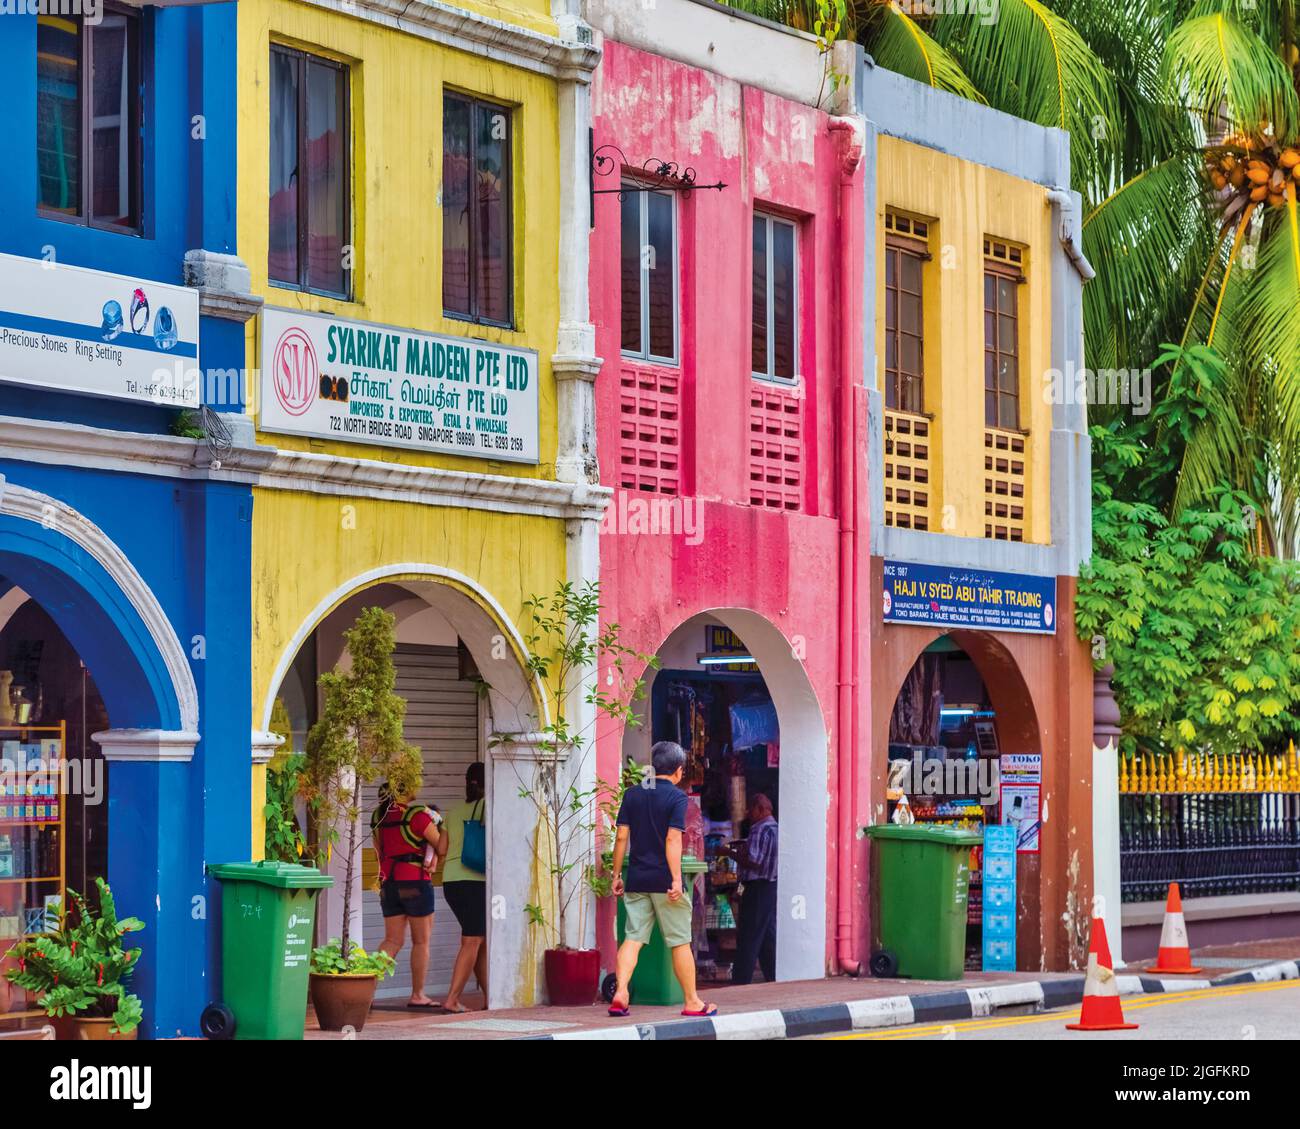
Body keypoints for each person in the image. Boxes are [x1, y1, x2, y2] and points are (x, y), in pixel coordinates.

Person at [609, 740, 716, 1018]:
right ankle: (692, 1002)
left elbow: (621, 837)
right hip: (665, 882)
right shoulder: (678, 799)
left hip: (637, 879)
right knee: (679, 941)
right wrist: (677, 880)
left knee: (633, 938)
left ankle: (621, 992)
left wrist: (617, 875)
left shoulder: (632, 794)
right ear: (679, 771)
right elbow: (673, 839)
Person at [371, 780, 447, 1008]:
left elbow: (378, 852)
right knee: (421, 941)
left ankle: (366, 991)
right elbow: (442, 846)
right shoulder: (417, 815)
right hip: (415, 881)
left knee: (392, 940)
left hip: (389, 883)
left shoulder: (378, 816)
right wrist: (441, 826)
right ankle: (418, 995)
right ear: (405, 791)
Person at [441, 762, 487, 1013]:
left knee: (480, 939)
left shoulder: (454, 810)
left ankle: (491, 997)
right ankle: (452, 999)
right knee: (472, 939)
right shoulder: (489, 806)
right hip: (474, 881)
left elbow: (441, 848)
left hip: (451, 881)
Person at [727, 793, 778, 986]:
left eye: (751, 809)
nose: (748, 813)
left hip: (756, 888)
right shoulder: (776, 828)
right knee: (766, 934)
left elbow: (754, 862)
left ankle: (741, 980)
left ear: (761, 809)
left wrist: (730, 853)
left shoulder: (759, 829)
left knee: (749, 935)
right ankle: (772, 975)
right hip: (770, 886)